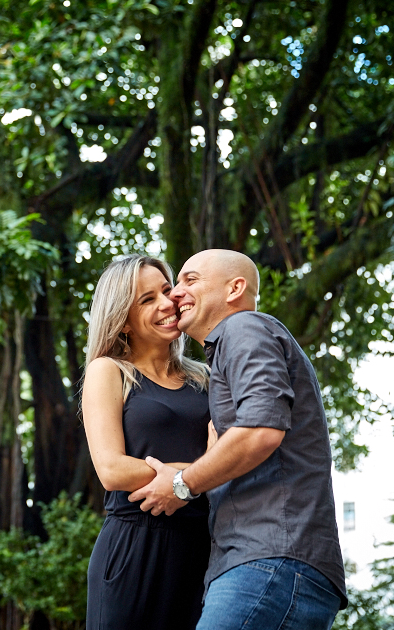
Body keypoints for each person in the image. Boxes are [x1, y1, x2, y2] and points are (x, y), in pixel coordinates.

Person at [128, 249, 348, 630]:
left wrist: (181, 484)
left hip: (270, 558)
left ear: (235, 288)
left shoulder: (244, 327)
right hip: (271, 562)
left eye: (189, 280)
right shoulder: (230, 351)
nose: (175, 294)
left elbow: (262, 430)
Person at [82, 254, 214, 630]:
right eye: (146, 299)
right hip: (134, 549)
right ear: (123, 320)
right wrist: (197, 475)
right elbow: (111, 469)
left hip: (203, 546)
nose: (167, 303)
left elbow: (233, 456)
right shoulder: (109, 371)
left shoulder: (206, 377)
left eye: (167, 290)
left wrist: (188, 480)